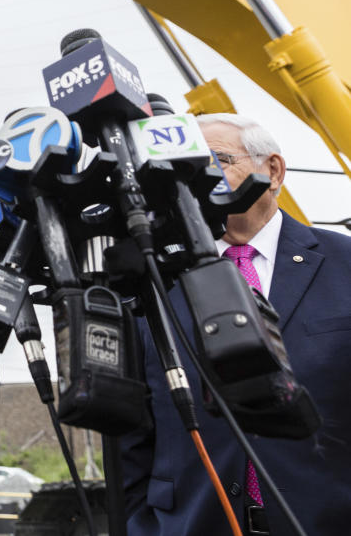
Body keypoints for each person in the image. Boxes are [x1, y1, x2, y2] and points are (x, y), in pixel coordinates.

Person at [121, 113, 351, 536]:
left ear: (274, 170)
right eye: (182, 169)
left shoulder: (345, 264)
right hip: (190, 522)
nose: (196, 180)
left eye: (217, 159)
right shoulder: (150, 281)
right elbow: (132, 433)